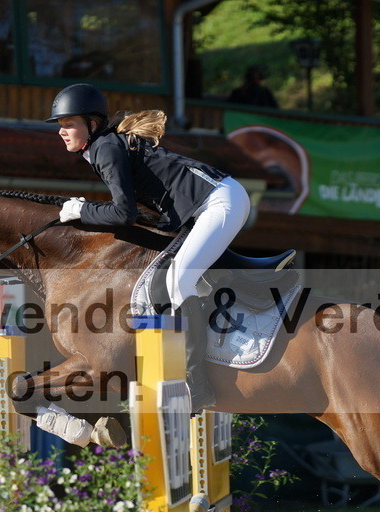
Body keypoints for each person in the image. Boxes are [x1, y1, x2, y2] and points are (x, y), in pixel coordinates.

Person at [47, 83, 251, 412]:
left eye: (69, 123)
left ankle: (197, 382)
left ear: (92, 125)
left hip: (219, 203)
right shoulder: (103, 147)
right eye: (60, 125)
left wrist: (81, 210)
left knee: (177, 282)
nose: (62, 131)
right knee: (169, 277)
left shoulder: (105, 148)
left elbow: (123, 214)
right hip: (207, 205)